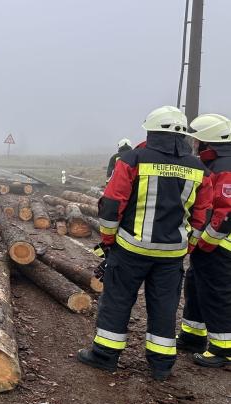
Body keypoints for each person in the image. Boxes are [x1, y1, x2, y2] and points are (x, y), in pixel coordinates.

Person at [78, 106, 213, 381]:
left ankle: (105, 356)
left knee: (117, 300)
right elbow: (203, 214)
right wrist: (187, 246)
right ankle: (161, 365)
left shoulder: (133, 159)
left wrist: (108, 241)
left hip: (130, 249)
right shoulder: (199, 168)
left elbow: (112, 204)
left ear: (151, 131)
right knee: (164, 306)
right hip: (172, 254)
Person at [176, 113, 231, 368]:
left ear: (210, 142)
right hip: (209, 245)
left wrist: (206, 242)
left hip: (220, 246)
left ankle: (223, 348)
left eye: (198, 141)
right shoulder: (216, 164)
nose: (195, 145)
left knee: (216, 294)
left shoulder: (225, 167)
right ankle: (193, 336)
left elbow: (225, 212)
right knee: (196, 287)